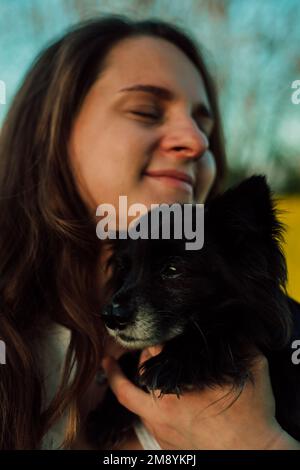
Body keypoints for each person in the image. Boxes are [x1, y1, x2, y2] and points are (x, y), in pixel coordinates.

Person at [0, 14, 299, 450]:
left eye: (206, 127)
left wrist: (260, 442)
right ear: (51, 133)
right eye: (145, 111)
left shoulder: (276, 343)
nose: (196, 142)